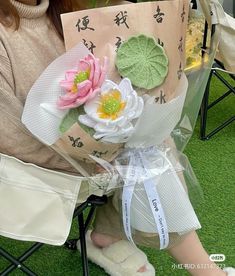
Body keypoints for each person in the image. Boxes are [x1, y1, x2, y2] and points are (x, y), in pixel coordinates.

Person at [0, 0, 234, 275]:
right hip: (30, 173)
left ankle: (108, 235)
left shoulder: (59, 11)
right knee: (145, 164)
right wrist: (92, 158)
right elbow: (12, 140)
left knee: (150, 146)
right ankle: (206, 271)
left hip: (85, 149)